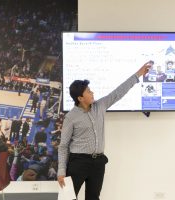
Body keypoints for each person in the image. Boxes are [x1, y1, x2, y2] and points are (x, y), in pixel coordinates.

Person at [57, 61, 152, 200]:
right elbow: (63, 146)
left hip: (98, 162)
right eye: (88, 91)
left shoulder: (100, 106)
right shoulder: (71, 117)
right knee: (67, 198)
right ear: (80, 98)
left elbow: (118, 92)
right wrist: (61, 171)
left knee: (94, 198)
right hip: (78, 162)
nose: (92, 92)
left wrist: (138, 74)